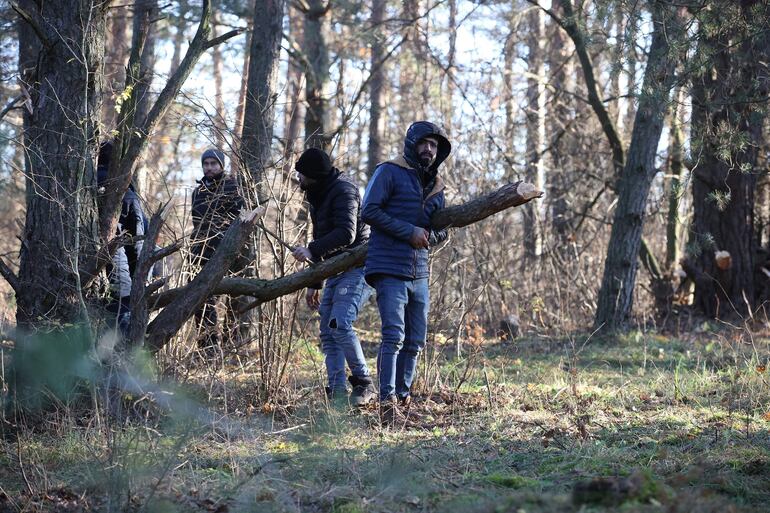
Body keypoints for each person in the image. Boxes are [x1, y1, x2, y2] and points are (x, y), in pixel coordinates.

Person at [361, 121, 450, 424]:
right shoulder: (389, 171)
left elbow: (441, 231)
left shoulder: (437, 185)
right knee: (394, 336)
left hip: (420, 272)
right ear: (412, 143)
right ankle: (387, 406)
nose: (429, 149)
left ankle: (403, 398)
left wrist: (428, 238)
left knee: (415, 341)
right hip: (388, 266)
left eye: (434, 145)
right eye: (424, 143)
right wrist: (408, 232)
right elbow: (368, 210)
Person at [292, 148, 376, 406]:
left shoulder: (344, 190)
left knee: (340, 323)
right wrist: (314, 282)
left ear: (314, 175)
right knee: (328, 333)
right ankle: (337, 392)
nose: (299, 179)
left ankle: (364, 383)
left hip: (357, 267)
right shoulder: (317, 193)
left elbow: (346, 234)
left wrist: (311, 250)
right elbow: (320, 239)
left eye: (302, 175)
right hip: (332, 270)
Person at [190, 147, 245, 353]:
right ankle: (208, 349)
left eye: (214, 164)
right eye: (206, 164)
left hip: (228, 252)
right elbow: (196, 222)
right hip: (200, 252)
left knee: (234, 297)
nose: (209, 168)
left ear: (221, 165)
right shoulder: (198, 192)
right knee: (202, 301)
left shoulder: (232, 187)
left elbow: (240, 221)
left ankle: (232, 346)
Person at [97, 141, 148, 336]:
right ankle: (120, 361)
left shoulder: (84, 185)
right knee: (121, 314)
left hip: (83, 268)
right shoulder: (125, 193)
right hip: (118, 267)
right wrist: (139, 277)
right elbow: (137, 240)